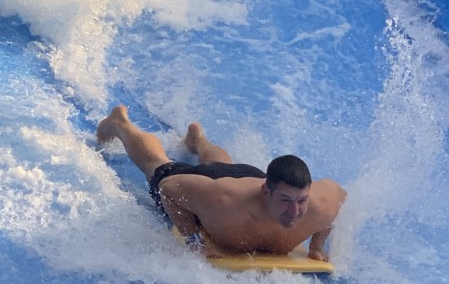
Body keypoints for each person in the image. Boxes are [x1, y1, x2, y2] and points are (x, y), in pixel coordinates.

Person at [96, 106, 347, 261]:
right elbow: (168, 188)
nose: (295, 212)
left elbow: (341, 196)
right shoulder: (222, 200)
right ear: (266, 192)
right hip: (213, 188)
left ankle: (198, 139)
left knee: (226, 167)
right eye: (285, 201)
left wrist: (317, 246)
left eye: (301, 201)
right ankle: (120, 123)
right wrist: (193, 240)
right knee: (157, 165)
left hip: (244, 177)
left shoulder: (320, 206)